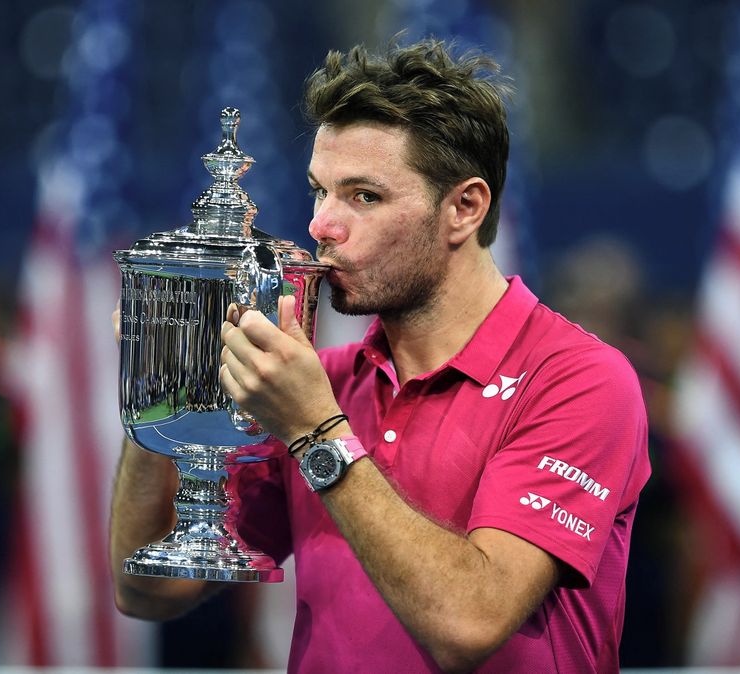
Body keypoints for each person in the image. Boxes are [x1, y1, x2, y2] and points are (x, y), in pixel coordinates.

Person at [111, 38, 650, 673]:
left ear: (464, 208)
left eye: (364, 196)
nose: (321, 225)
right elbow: (146, 591)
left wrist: (316, 432)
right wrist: (164, 383)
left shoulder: (579, 381)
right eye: (319, 191)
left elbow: (470, 623)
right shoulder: (324, 382)